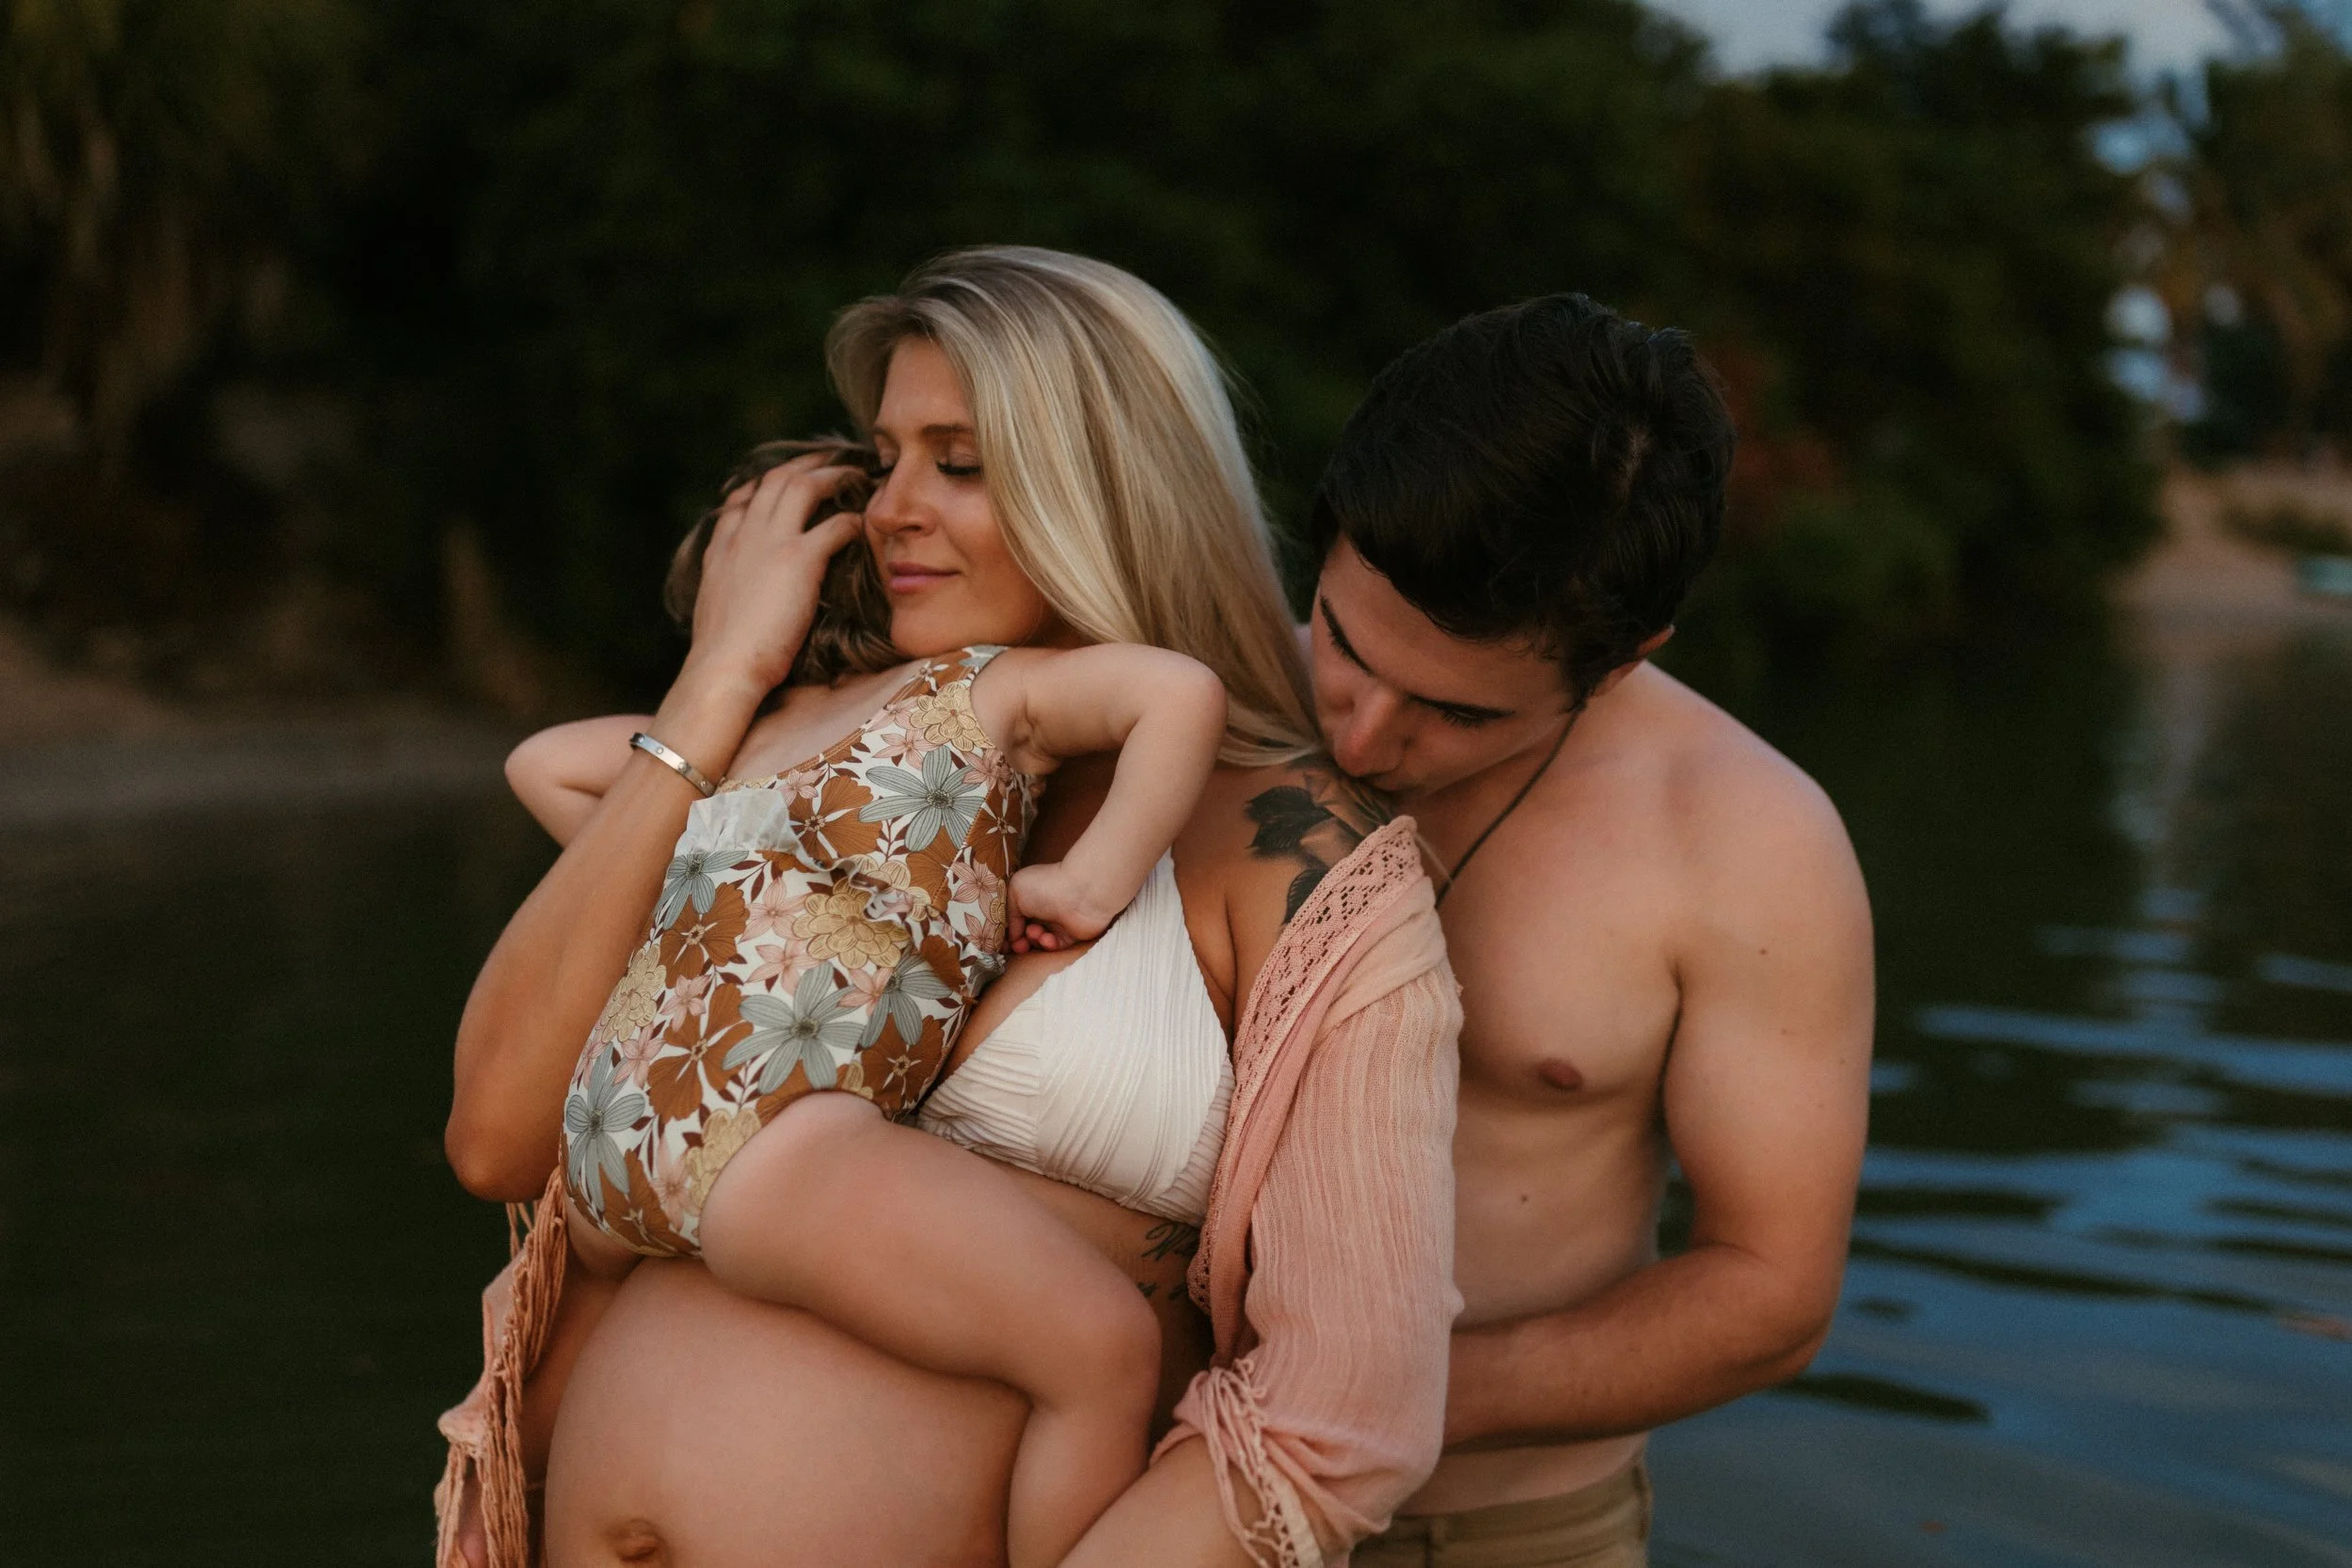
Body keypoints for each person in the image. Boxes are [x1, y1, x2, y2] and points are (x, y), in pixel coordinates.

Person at [436, 245, 1465, 1568]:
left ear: (1108, 486)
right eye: (886, 460)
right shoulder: (781, 785)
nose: (890, 509)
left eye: (959, 463)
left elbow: (1344, 1410)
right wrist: (716, 683)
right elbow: (496, 1139)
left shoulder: (1296, 849)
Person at [1303, 295, 1876, 1566]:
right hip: (1120, 1481)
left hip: (1502, 1527)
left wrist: (1357, 1404)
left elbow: (1772, 1293)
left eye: (1455, 713)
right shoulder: (1196, 690)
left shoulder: (1748, 841)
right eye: (1343, 644)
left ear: (1622, 660)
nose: (1358, 737)